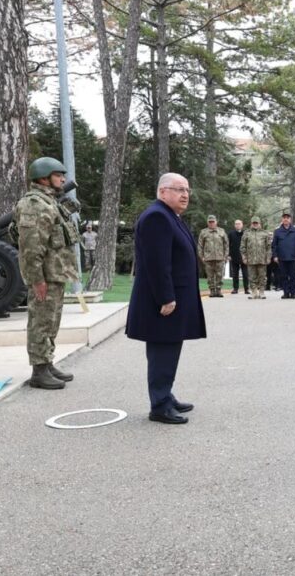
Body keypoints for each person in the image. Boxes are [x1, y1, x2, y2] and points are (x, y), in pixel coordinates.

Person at [125, 173, 206, 424]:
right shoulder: (157, 217)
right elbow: (157, 263)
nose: (185, 195)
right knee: (162, 349)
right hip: (163, 301)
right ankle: (159, 405)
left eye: (187, 190)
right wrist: (166, 297)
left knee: (169, 348)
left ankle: (165, 395)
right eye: (178, 189)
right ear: (162, 192)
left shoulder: (171, 216)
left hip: (172, 297)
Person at [13, 157, 80, 389]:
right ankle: (39, 371)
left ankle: (47, 362)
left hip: (55, 273)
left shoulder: (48, 201)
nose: (63, 178)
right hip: (45, 276)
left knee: (51, 320)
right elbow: (31, 247)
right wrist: (36, 279)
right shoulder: (35, 204)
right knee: (40, 321)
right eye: (58, 174)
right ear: (44, 178)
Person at [271, 211, 295, 299]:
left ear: (290, 220)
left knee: (292, 276)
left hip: (293, 257)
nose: (286, 219)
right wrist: (275, 256)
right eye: (284, 218)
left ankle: (293, 293)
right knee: (283, 276)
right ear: (282, 219)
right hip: (282, 257)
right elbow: (274, 245)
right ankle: (286, 293)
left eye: (287, 218)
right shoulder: (277, 231)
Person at [240, 216, 272, 299]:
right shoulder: (246, 233)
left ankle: (261, 292)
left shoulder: (265, 233)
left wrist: (268, 257)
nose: (255, 224)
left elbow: (268, 247)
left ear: (259, 223)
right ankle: (254, 292)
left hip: (262, 259)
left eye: (256, 223)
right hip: (250, 259)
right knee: (251, 277)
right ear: (251, 224)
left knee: (262, 277)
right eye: (253, 223)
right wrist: (244, 257)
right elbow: (243, 247)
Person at [197, 215, 228, 298]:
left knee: (219, 275)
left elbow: (226, 244)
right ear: (207, 222)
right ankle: (212, 291)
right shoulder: (203, 232)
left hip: (220, 257)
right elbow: (200, 246)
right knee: (210, 276)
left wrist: (225, 256)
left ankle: (218, 291)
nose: (211, 223)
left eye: (213, 222)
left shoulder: (222, 231)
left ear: (216, 222)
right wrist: (201, 257)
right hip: (208, 258)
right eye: (210, 222)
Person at [228, 219, 248, 294]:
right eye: (236, 224)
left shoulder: (246, 233)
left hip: (244, 257)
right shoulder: (231, 234)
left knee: (245, 274)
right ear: (234, 225)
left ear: (242, 225)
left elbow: (248, 245)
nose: (237, 225)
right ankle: (235, 289)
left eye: (239, 224)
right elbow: (228, 245)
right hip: (234, 256)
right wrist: (229, 255)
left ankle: (246, 289)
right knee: (235, 274)